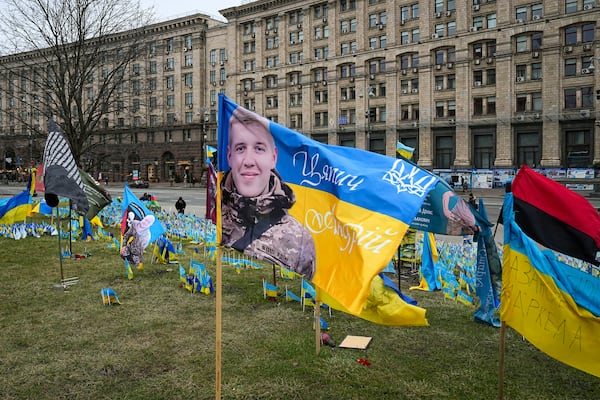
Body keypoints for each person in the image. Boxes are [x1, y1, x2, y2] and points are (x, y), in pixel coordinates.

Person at [221, 106, 316, 280]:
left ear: (273, 157)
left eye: (259, 148)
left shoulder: (299, 238)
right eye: (240, 148)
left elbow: (307, 291)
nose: (248, 161)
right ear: (229, 156)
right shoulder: (215, 218)